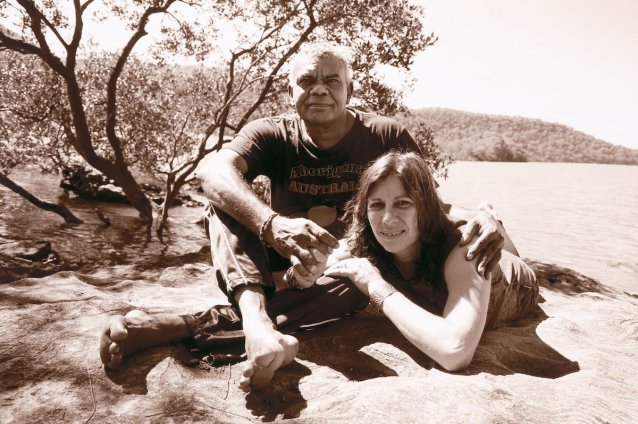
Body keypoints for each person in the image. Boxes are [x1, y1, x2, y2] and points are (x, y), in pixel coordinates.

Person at [99, 42, 509, 390]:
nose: (320, 90)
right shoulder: (270, 133)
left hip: (349, 261)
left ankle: (183, 326)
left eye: (332, 81)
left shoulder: (385, 136)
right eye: (307, 80)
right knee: (222, 201)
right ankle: (258, 325)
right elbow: (212, 172)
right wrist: (272, 225)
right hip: (281, 253)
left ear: (350, 88)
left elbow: (422, 204)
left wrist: (487, 216)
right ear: (289, 89)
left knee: (355, 283)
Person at [322, 151, 538, 371]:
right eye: (376, 205)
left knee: (495, 241)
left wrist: (375, 285)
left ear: (425, 208)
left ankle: (493, 219)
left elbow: (455, 352)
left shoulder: (464, 249)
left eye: (403, 203)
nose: (387, 219)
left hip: (515, 283)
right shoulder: (364, 239)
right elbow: (322, 262)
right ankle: (484, 214)